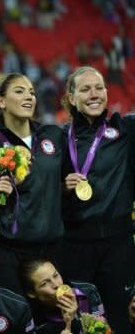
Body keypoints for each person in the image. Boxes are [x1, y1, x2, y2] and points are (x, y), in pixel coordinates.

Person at [0, 73, 65, 294]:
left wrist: (69, 184)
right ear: (1, 101)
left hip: (52, 250)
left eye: (31, 92)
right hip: (9, 254)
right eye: (20, 91)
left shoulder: (52, 136)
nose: (29, 96)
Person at [60, 66, 135, 333]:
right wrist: (62, 188)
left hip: (119, 247)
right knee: (79, 321)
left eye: (99, 88)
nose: (94, 94)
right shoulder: (59, 139)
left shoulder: (125, 129)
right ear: (72, 97)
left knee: (123, 319)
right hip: (75, 247)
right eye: (85, 89)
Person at [19, 257, 106, 334]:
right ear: (31, 293)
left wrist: (77, 317)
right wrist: (67, 324)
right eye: (44, 283)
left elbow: (103, 329)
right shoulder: (28, 316)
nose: (57, 284)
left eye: (56, 275)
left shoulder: (88, 290)